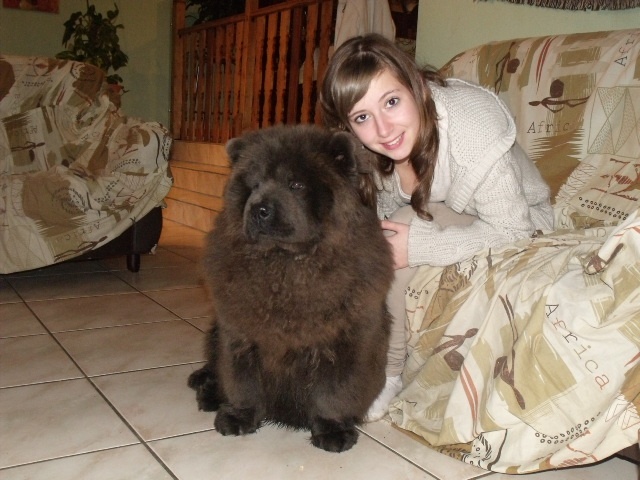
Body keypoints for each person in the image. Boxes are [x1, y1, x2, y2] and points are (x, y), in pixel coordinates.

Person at [319, 34, 554, 422]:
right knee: (368, 240)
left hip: (526, 219)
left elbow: (516, 230)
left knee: (400, 232)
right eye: (362, 117)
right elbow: (382, 213)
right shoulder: (370, 152)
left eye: (391, 102)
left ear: (417, 86)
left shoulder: (471, 126)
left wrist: (419, 246)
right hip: (451, 214)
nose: (383, 129)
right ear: (349, 126)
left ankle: (387, 375)